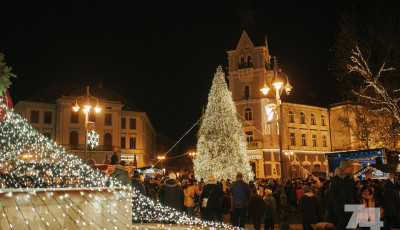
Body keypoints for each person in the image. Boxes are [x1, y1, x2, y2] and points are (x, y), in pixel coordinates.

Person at [327, 160, 355, 230]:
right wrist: (337, 205)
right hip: (340, 207)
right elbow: (332, 193)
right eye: (349, 168)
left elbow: (353, 192)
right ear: (344, 169)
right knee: (342, 224)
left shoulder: (350, 179)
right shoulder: (336, 179)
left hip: (349, 206)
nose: (351, 169)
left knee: (349, 225)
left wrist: (358, 203)